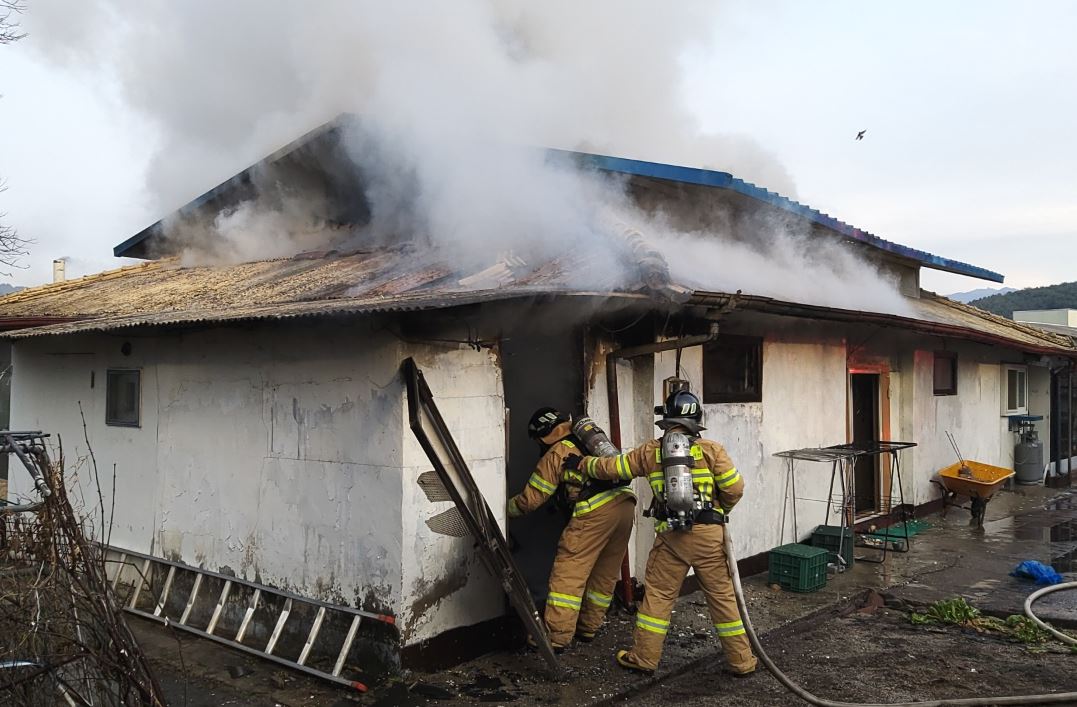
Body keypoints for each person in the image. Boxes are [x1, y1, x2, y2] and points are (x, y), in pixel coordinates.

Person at [563, 389, 757, 676]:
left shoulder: (649, 452)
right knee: (723, 599)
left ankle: (644, 658)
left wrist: (582, 463)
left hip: (672, 538)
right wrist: (718, 510)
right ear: (695, 421)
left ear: (666, 420)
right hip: (709, 535)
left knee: (658, 598)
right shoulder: (712, 450)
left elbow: (613, 468)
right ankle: (742, 661)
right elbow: (735, 488)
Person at [507, 407, 636, 649]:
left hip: (595, 511)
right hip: (625, 505)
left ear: (543, 434)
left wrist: (503, 511)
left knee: (569, 571)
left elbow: (531, 499)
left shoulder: (557, 451)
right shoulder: (589, 442)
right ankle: (588, 627)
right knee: (605, 572)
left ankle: (556, 636)